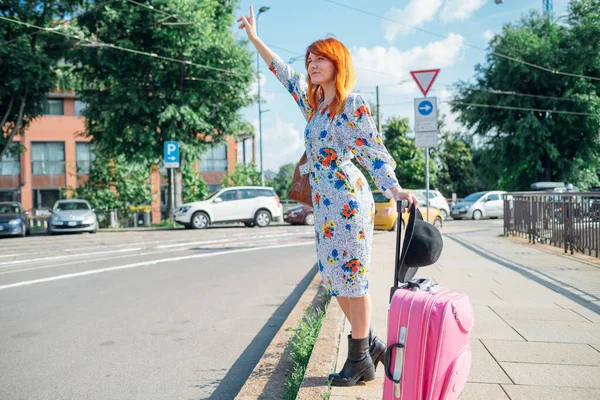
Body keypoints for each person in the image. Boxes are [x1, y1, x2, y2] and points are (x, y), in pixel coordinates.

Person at [238, 6, 420, 387]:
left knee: (355, 282)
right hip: (325, 208)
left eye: (320, 58)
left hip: (351, 203)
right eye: (309, 59)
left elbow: (372, 148)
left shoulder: (351, 104)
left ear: (337, 63)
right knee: (335, 280)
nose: (311, 64)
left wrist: (394, 187)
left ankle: (358, 361)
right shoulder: (315, 107)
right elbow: (283, 73)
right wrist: (256, 39)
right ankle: (368, 345)